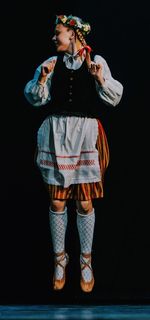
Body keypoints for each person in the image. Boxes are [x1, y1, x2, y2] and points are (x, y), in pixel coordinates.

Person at [24, 14, 123, 293]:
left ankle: (85, 260)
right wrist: (42, 82)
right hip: (57, 135)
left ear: (74, 34)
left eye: (58, 33)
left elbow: (114, 97)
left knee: (84, 203)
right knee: (57, 202)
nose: (54, 38)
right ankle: (59, 259)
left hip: (85, 135)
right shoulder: (51, 64)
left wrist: (100, 79)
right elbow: (34, 98)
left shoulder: (95, 61)